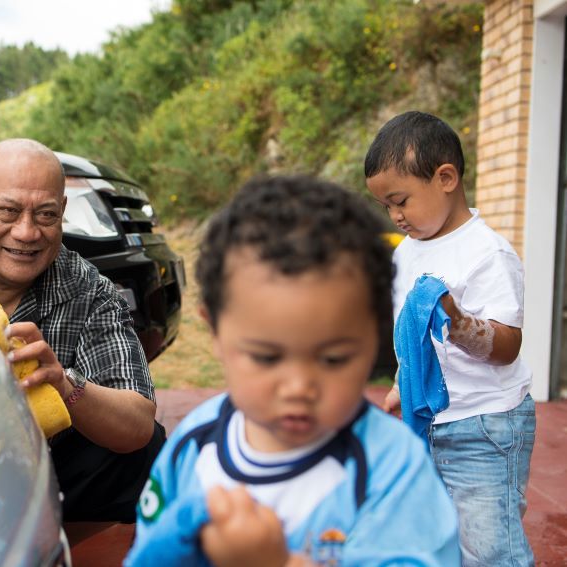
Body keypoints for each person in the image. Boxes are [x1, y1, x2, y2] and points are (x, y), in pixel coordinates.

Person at [124, 175, 460, 567]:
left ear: (374, 338)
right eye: (266, 358)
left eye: (334, 359)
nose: (299, 387)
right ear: (215, 330)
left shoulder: (393, 468)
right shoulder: (192, 450)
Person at [0, 138, 166, 529]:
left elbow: (138, 425)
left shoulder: (91, 292)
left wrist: (63, 382)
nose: (26, 233)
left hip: (45, 472)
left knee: (146, 450)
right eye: (7, 210)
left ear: (62, 214)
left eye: (45, 214)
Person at [365, 110, 536, 566]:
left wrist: (459, 323)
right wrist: (404, 384)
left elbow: (506, 347)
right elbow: (411, 332)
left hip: (486, 425)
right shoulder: (408, 253)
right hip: (433, 424)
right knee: (439, 539)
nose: (396, 215)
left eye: (401, 200)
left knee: (488, 546)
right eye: (387, 207)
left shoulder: (487, 253)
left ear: (445, 178)